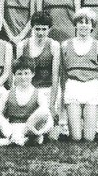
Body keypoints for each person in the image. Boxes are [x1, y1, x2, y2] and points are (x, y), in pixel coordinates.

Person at [55, 10, 98, 141]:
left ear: (92, 26)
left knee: (89, 138)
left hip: (91, 87)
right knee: (76, 137)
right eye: (80, 22)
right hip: (73, 87)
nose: (83, 25)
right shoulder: (65, 45)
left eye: (87, 23)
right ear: (75, 24)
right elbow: (63, 72)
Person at [0, 58, 54, 146]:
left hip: (29, 128)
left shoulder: (38, 94)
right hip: (10, 129)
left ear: (33, 74)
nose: (23, 77)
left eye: (26, 73)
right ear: (14, 75)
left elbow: (49, 119)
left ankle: (15, 140)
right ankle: (19, 140)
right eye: (19, 74)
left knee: (44, 110)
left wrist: (39, 132)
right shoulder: (8, 94)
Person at [16, 11, 61, 140]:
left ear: (49, 29)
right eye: (37, 29)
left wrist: (52, 105)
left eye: (44, 29)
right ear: (32, 28)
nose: (40, 32)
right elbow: (18, 75)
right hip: (30, 90)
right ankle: (32, 131)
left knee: (53, 137)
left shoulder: (54, 45)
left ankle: (37, 131)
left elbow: (55, 77)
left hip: (48, 89)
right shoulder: (22, 45)